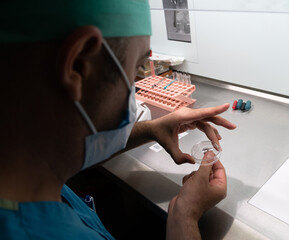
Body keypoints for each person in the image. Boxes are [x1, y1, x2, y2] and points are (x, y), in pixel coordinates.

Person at [0, 0, 236, 239]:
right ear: (79, 66)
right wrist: (185, 215)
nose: (135, 86)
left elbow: (70, 147)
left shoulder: (29, 167)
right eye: (134, 70)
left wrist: (151, 129)